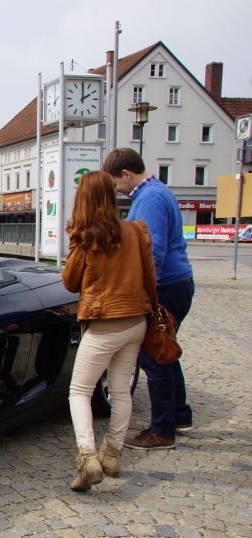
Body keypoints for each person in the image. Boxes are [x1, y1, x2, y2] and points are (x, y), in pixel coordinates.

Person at [61, 171, 156, 491]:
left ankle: (88, 457)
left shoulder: (87, 237)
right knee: (120, 390)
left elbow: (69, 282)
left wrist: (75, 242)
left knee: (79, 391)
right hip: (136, 320)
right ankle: (112, 454)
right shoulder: (136, 230)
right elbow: (150, 276)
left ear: (84, 199)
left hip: (104, 324)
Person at [103, 148, 195, 450]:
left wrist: (138, 292)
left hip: (164, 287)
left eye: (116, 184)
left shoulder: (150, 199)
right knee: (164, 349)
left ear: (126, 174)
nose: (117, 190)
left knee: (153, 356)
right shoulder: (156, 192)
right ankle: (178, 415)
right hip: (175, 284)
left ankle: (162, 430)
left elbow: (151, 253)